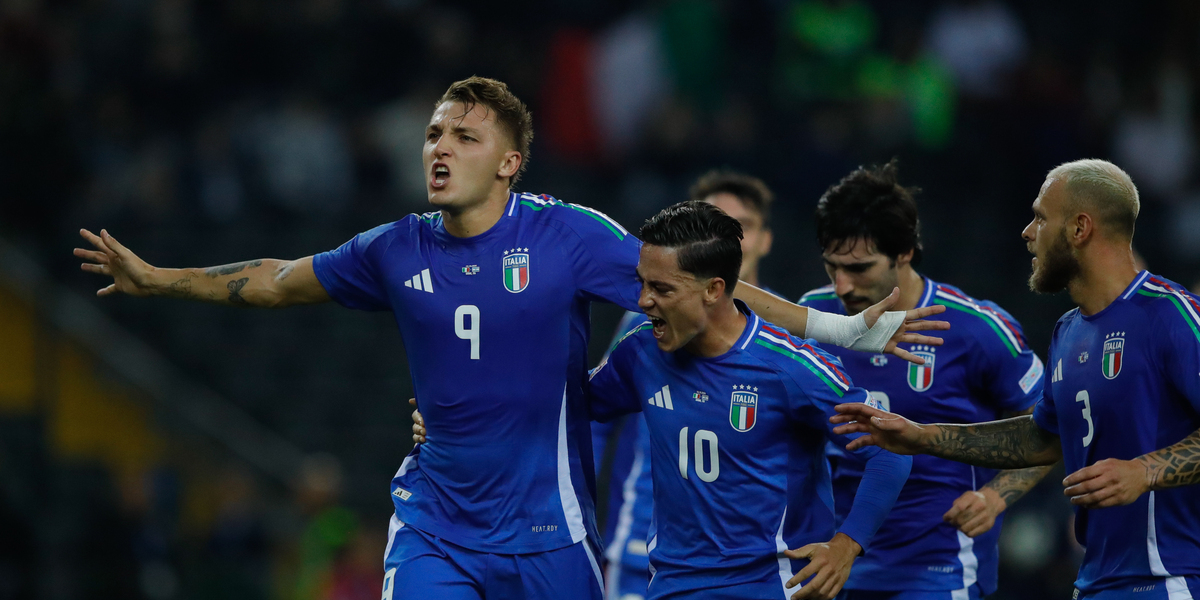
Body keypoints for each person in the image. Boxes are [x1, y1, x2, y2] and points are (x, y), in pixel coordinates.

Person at [75, 76, 945, 600]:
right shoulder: (392, 248)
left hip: (551, 533)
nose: (439, 147)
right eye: (432, 134)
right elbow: (274, 279)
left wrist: (838, 326)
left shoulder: (571, 237)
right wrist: (161, 280)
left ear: (510, 161)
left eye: (464, 135)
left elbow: (710, 291)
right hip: (437, 525)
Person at [422, 200, 914, 599]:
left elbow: (890, 450)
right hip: (674, 583)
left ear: (713, 290)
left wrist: (847, 546)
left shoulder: (789, 367)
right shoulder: (641, 352)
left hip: (772, 585)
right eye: (640, 283)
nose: (642, 301)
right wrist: (457, 416)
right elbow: (565, 406)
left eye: (661, 289)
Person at [832, 159, 1200, 599]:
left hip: (1172, 577)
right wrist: (922, 436)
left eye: (1041, 217)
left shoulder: (1172, 315)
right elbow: (1041, 439)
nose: (1028, 232)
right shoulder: (1069, 330)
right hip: (1098, 581)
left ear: (1080, 228)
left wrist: (1145, 471)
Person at [796, 162, 1053, 600]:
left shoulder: (976, 328)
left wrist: (995, 497)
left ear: (905, 253)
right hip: (835, 561)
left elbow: (1051, 425)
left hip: (940, 565)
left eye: (858, 268)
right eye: (831, 267)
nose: (841, 285)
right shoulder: (813, 318)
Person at [595, 169, 780, 600]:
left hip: (745, 561)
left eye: (745, 227)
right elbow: (595, 414)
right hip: (643, 542)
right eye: (718, 223)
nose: (732, 240)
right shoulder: (646, 321)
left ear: (766, 240)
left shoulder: (784, 344)